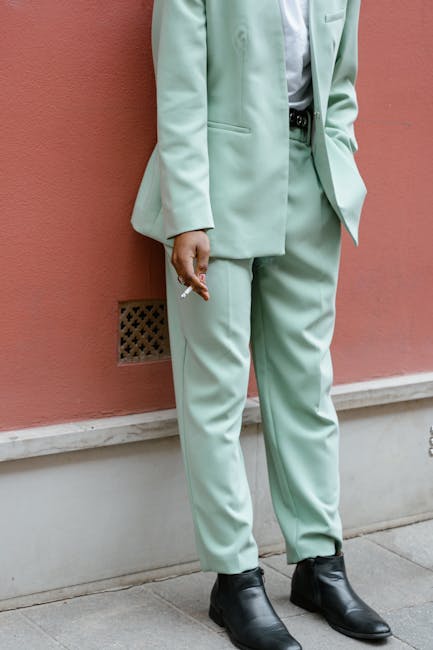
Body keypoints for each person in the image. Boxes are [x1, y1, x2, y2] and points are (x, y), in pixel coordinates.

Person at [130, 1, 393, 648]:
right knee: (215, 389)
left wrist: (338, 155)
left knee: (307, 383)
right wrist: (187, 213)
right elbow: (179, 89)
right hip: (217, 189)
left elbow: (341, 81)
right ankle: (235, 579)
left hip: (311, 185)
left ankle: (320, 564)